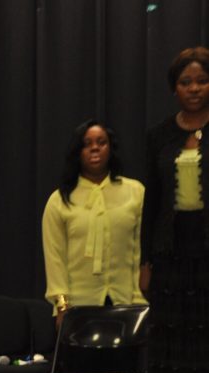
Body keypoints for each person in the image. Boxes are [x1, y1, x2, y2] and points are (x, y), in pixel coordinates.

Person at [140, 47, 209, 373]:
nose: (195, 88)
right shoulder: (159, 136)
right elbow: (152, 204)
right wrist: (145, 261)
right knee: (178, 357)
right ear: (174, 88)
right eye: (186, 82)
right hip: (171, 259)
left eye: (202, 80)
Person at [42, 119, 145, 324]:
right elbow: (55, 259)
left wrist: (139, 299)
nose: (95, 148)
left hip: (127, 304)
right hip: (77, 308)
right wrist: (62, 305)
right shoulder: (59, 200)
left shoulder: (135, 192)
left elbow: (140, 251)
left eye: (101, 142)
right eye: (87, 144)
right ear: (77, 152)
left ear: (111, 148)